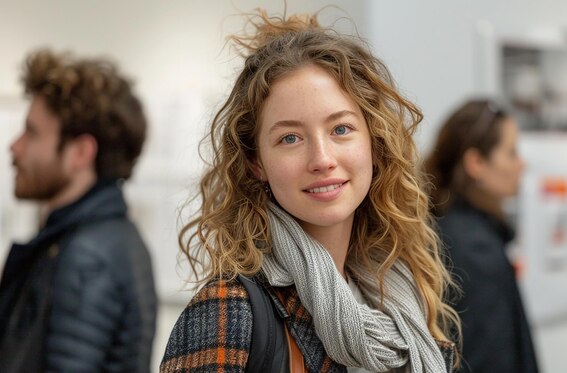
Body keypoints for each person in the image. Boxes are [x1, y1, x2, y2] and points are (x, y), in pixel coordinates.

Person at [161, 10, 459, 373]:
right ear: (257, 163)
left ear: (374, 144)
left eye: (341, 129)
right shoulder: (229, 310)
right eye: (290, 138)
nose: (322, 158)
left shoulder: (401, 301)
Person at [0, 49, 157, 372]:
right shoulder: (102, 238)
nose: (14, 146)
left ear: (81, 152)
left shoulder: (86, 256)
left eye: (32, 133)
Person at [424, 99, 539, 373]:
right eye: (511, 153)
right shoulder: (476, 250)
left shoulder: (446, 229)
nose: (521, 164)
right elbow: (488, 359)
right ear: (476, 162)